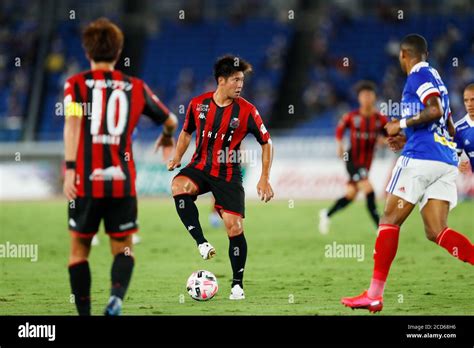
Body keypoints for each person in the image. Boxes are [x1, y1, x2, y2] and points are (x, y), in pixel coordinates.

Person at [341, 34, 474, 313]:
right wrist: (409, 136)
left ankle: (374, 295)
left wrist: (398, 124)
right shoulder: (437, 79)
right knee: (437, 230)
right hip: (444, 160)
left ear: (404, 55)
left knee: (389, 219)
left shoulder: (417, 74)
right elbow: (446, 123)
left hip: (421, 160)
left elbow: (434, 110)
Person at [63, 18, 177, 315]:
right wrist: (166, 138)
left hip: (85, 182)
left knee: (78, 251)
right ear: (118, 51)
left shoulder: (74, 85)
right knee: (124, 248)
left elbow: (72, 125)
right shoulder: (135, 87)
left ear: (87, 51)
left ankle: (85, 314)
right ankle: (116, 298)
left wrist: (71, 168)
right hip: (121, 182)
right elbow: (170, 120)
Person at [168, 55, 274, 300]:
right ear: (221, 80)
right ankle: (201, 242)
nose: (240, 85)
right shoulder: (198, 104)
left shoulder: (247, 111)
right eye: (236, 80)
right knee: (178, 185)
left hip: (228, 172)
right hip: (200, 166)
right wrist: (177, 157)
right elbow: (186, 133)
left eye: (242, 80)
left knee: (234, 227)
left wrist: (264, 177)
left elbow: (267, 143)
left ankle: (237, 285)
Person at [319, 81, 387, 234]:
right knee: (369, 190)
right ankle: (380, 227)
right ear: (359, 98)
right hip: (352, 159)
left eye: (369, 95)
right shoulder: (352, 117)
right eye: (363, 96)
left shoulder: (380, 119)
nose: (366, 98)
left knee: (351, 195)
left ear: (374, 97)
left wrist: (385, 141)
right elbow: (339, 131)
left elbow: (387, 136)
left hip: (367, 162)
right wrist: (340, 145)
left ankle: (326, 214)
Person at [454, 83, 474, 174]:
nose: (469, 104)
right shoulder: (459, 128)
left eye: (473, 100)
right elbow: (453, 156)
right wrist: (457, 163)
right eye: (466, 100)